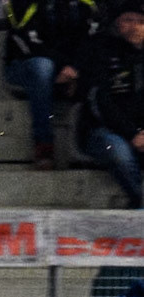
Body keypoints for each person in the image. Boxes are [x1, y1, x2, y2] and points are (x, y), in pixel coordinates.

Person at [3, 0, 103, 170]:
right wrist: (63, 67)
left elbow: (94, 41)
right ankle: (44, 144)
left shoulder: (88, 4)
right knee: (43, 67)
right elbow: (26, 41)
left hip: (70, 69)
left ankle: (93, 147)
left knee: (101, 64)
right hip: (25, 65)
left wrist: (75, 68)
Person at [78, 0, 144, 208]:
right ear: (117, 23)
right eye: (128, 20)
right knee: (119, 153)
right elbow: (100, 102)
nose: (135, 26)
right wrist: (132, 133)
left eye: (141, 21)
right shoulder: (100, 50)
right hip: (104, 130)